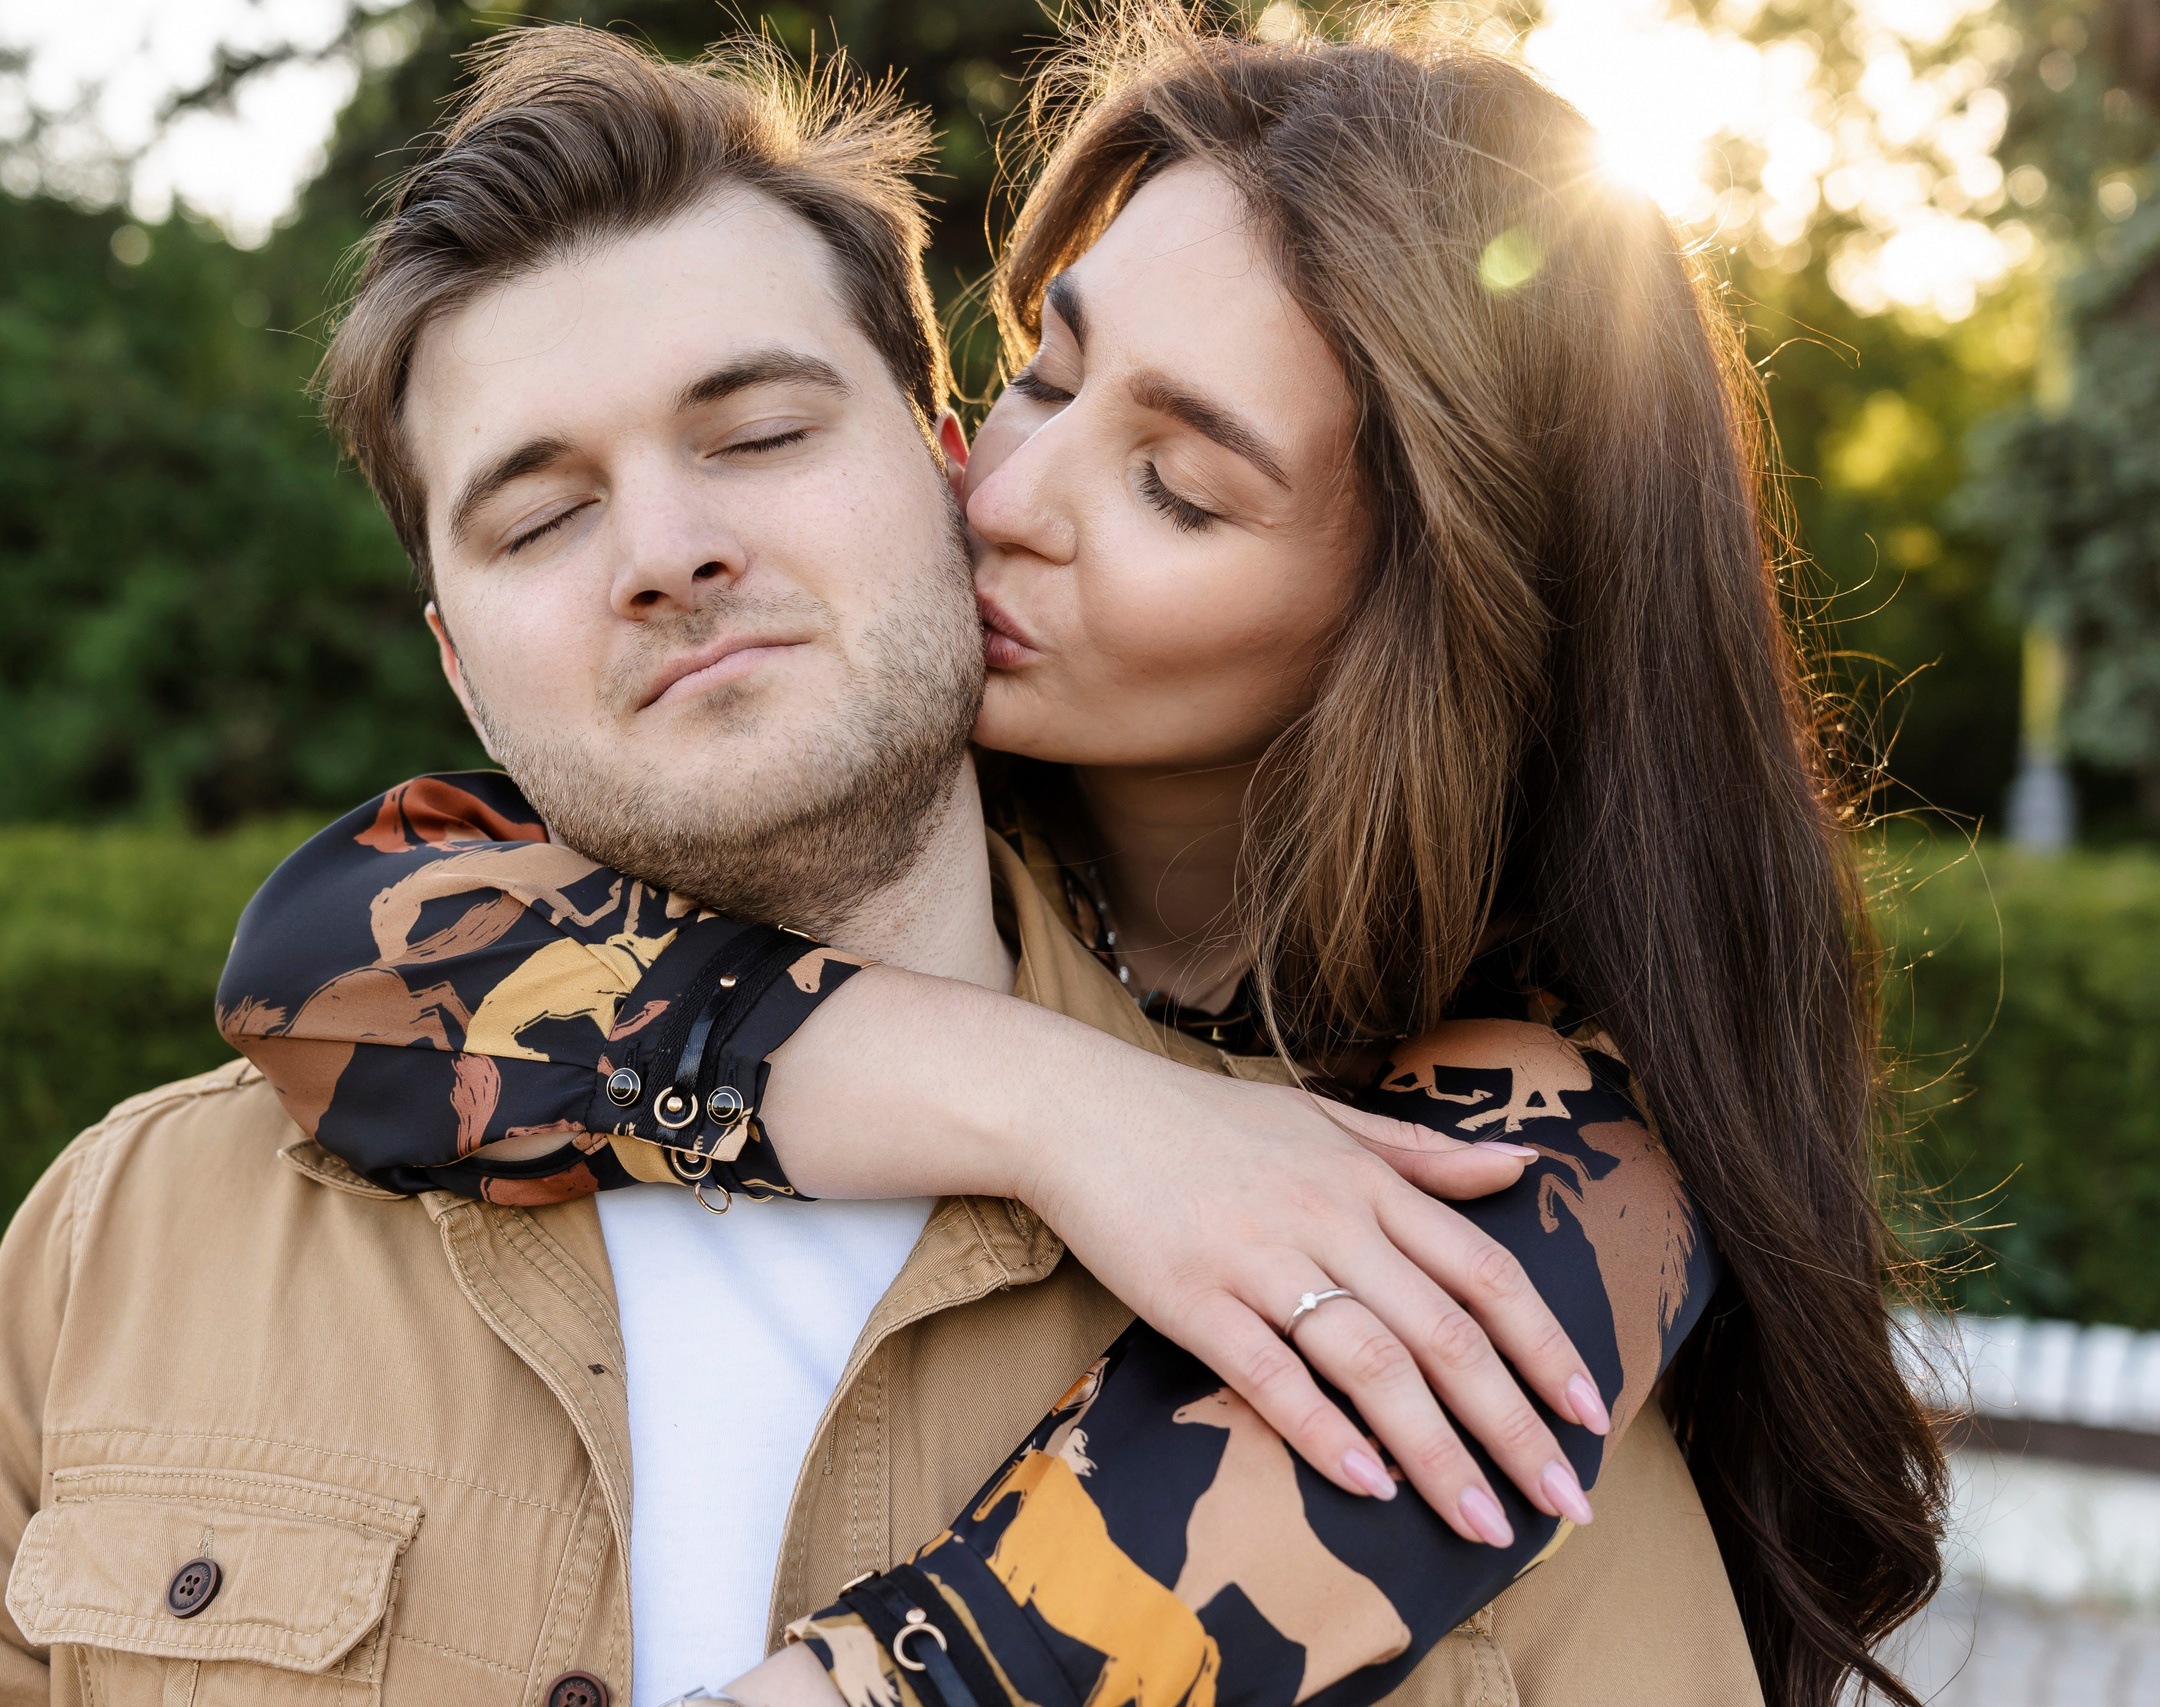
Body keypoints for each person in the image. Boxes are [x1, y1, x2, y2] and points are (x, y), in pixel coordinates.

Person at [216, 10, 1946, 1707]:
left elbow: (1122, 1595)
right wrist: (1069, 1107)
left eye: (1176, 489)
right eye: (1044, 367)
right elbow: (326, 958)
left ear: (1434, 619)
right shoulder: (867, 792)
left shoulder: (1558, 1141)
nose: (1015, 488)